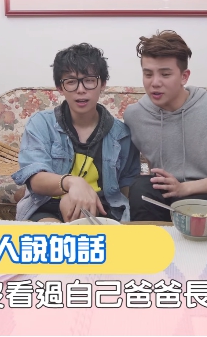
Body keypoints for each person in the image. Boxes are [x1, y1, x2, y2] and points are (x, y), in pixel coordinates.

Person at [124, 30, 207, 229]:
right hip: (168, 193)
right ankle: (153, 246)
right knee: (141, 189)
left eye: (165, 74)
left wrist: (185, 188)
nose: (155, 83)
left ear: (184, 76)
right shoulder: (134, 115)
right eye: (148, 74)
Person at [12, 43, 141, 223]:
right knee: (52, 232)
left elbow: (127, 185)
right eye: (71, 82)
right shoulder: (42, 124)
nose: (81, 89)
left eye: (89, 80)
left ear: (102, 84)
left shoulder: (121, 134)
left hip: (101, 209)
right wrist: (73, 182)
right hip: (47, 206)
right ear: (60, 87)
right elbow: (35, 179)